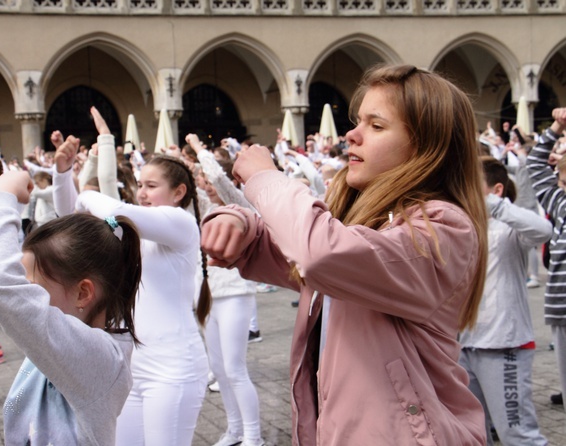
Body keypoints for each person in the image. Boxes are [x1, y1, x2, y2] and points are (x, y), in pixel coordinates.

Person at [200, 64, 488, 444]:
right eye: (357, 122)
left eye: (376, 125)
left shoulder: (443, 228)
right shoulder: (368, 222)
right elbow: (295, 255)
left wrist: (265, 178)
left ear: (423, 146)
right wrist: (239, 225)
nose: (351, 135)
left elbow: (319, 252)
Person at [0, 100, 141, 445]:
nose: (23, 287)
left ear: (82, 293)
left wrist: (2, 197)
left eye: (33, 280)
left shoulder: (102, 359)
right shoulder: (62, 337)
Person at [52, 107, 210, 446]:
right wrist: (63, 174)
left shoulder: (180, 223)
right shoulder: (133, 232)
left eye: (151, 186)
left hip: (175, 367)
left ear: (179, 192)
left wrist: (85, 188)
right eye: (140, 185)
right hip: (132, 367)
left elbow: (114, 210)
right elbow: (70, 220)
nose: (141, 193)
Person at [459, 156, 550, 445]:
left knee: (517, 435)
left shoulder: (510, 228)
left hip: (504, 345)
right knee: (471, 433)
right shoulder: (463, 226)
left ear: (496, 190)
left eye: (473, 185)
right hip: (464, 346)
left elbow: (543, 230)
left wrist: (495, 206)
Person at [186, 133, 264, 446]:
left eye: (208, 180)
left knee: (234, 368)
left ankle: (254, 436)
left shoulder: (242, 204)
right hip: (207, 296)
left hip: (235, 294)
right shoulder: (205, 209)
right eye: (202, 181)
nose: (206, 185)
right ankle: (234, 429)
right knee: (217, 368)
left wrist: (198, 149)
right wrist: (190, 169)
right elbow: (193, 192)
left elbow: (219, 178)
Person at [526, 107, 566, 425]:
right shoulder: (561, 204)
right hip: (562, 308)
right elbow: (535, 165)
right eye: (561, 180)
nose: (560, 184)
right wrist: (554, 128)